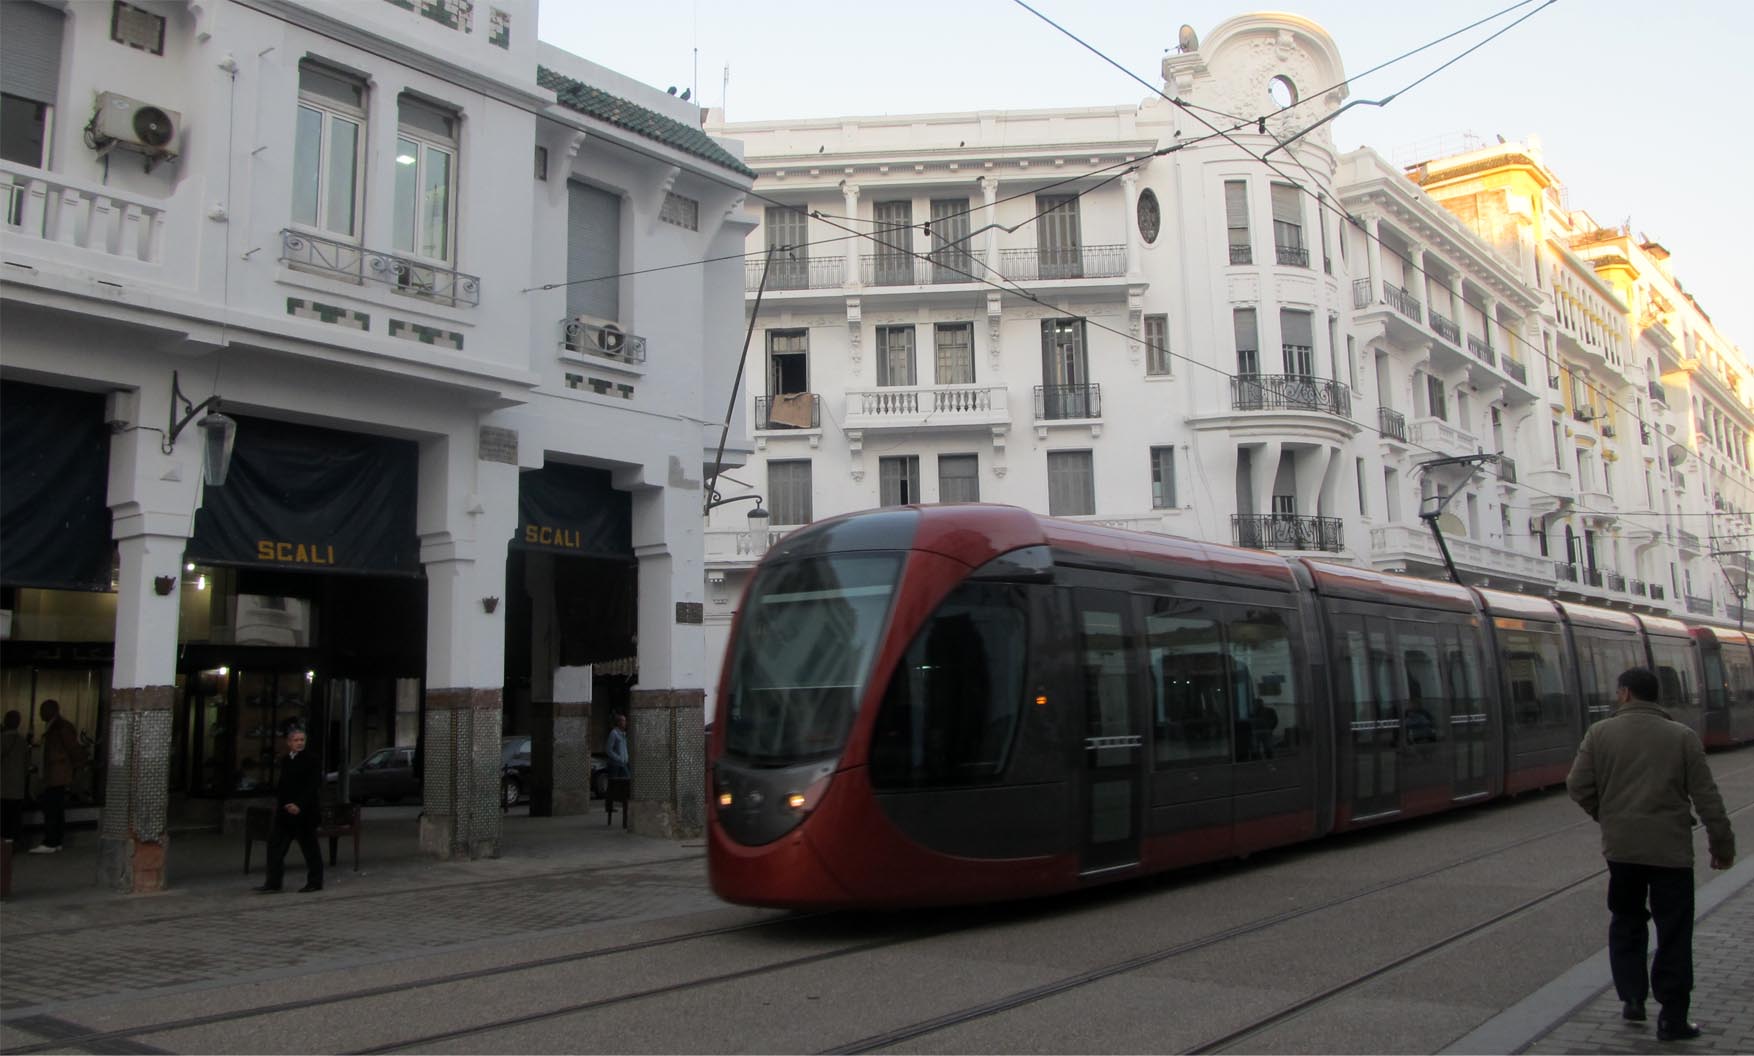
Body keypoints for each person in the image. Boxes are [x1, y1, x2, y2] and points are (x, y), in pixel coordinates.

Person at [1566, 667, 1736, 1042]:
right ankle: (1672, 1018)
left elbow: (1577, 785)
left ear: (1625, 693)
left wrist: (1605, 815)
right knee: (1674, 932)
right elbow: (1707, 798)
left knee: (1626, 920)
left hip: (1622, 851)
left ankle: (1632, 998)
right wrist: (1722, 844)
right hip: (1671, 853)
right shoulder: (1682, 737)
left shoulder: (1599, 733)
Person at [257, 727, 324, 893]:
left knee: (310, 848)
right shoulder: (286, 760)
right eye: (296, 740)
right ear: (289, 742)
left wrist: (299, 804)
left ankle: (315, 882)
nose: (300, 743)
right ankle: (273, 882)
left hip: (304, 812)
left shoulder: (312, 759)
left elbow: (313, 785)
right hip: (285, 812)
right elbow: (283, 785)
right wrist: (283, 804)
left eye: (302, 740)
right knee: (275, 846)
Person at [31, 699, 85, 854]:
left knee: (52, 808)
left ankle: (51, 841)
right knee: (55, 808)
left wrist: (77, 769)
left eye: (43, 710)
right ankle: (55, 841)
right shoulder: (57, 726)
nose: (40, 714)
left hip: (57, 774)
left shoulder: (61, 727)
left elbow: (73, 748)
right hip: (56, 774)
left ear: (52, 710)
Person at [2, 710, 27, 846]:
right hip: (18, 787)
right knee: (15, 816)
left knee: (4, 817)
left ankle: (5, 844)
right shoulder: (22, 741)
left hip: (4, 786)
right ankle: (12, 842)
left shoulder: (2, 739)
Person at [605, 712, 630, 825]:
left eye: (625, 721)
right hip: (615, 764)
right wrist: (618, 758)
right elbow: (608, 749)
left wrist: (626, 758)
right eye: (623, 721)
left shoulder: (623, 734)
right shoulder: (613, 734)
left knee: (627, 781)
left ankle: (624, 803)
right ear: (618, 722)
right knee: (612, 786)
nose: (625, 723)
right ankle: (609, 806)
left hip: (623, 764)